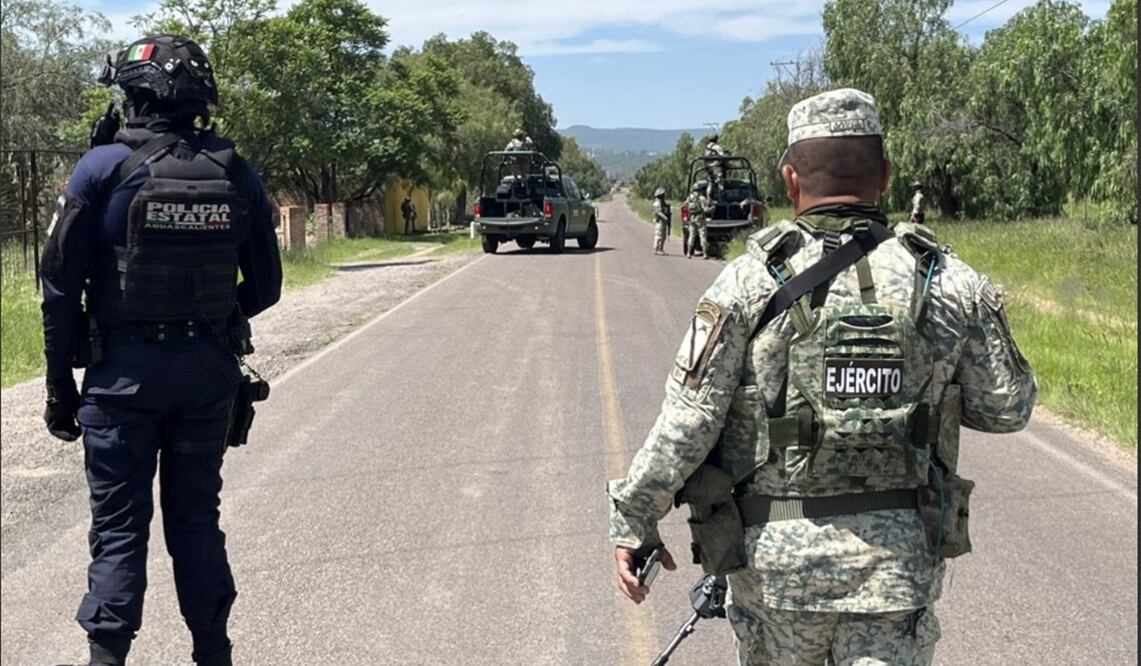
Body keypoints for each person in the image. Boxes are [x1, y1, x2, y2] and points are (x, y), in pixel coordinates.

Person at [607, 88, 1037, 665]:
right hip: (897, 575)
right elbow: (1008, 408)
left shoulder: (747, 283)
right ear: (884, 175)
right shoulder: (947, 281)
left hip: (779, 581)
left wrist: (635, 517)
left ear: (790, 179)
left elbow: (690, 422)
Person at [41, 34, 282, 666]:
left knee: (119, 534)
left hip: (121, 382)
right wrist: (208, 317)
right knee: (196, 522)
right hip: (207, 380)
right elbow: (266, 286)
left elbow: (59, 291)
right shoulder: (235, 170)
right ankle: (214, 654)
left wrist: (60, 390)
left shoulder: (101, 169)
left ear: (134, 93)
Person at [684, 181, 712, 260]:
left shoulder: (690, 197)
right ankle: (705, 254)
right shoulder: (701, 198)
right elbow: (705, 209)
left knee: (691, 236)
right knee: (702, 235)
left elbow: (685, 205)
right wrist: (711, 209)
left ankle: (689, 253)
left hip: (692, 218)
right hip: (700, 218)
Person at [652, 187, 671, 255]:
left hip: (663, 222)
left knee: (663, 236)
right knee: (659, 235)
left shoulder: (663, 203)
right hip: (659, 221)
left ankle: (661, 249)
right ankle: (656, 249)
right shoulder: (657, 203)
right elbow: (658, 212)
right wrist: (665, 217)